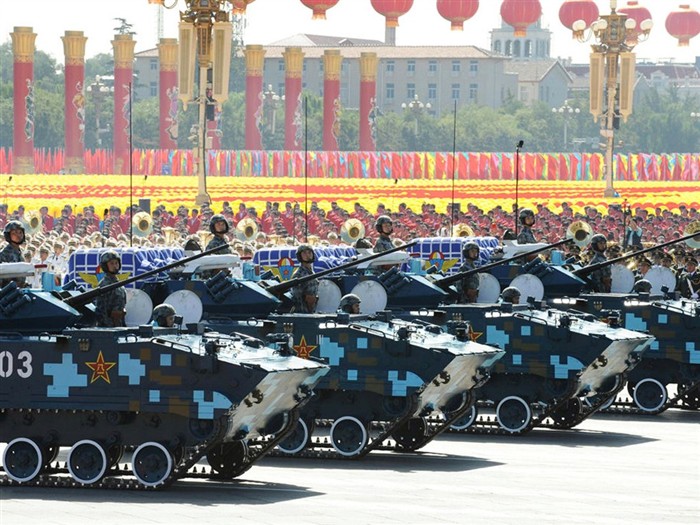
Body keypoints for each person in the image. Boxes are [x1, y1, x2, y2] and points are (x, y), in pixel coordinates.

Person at [94, 250, 127, 327]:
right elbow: (101, 310)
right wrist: (109, 327)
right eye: (111, 263)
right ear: (105, 266)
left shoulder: (118, 284)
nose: (115, 266)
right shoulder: (104, 285)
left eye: (116, 263)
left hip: (119, 323)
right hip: (109, 327)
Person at [291, 244, 319, 313]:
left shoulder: (311, 271)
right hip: (302, 312)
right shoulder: (298, 274)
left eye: (309, 252)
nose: (307, 255)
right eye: (304, 253)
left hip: (312, 310)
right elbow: (297, 297)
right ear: (299, 256)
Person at [0, 221, 27, 287]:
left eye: (20, 232)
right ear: (8, 235)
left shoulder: (20, 253)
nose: (18, 235)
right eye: (14, 233)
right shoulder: (4, 254)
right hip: (7, 293)